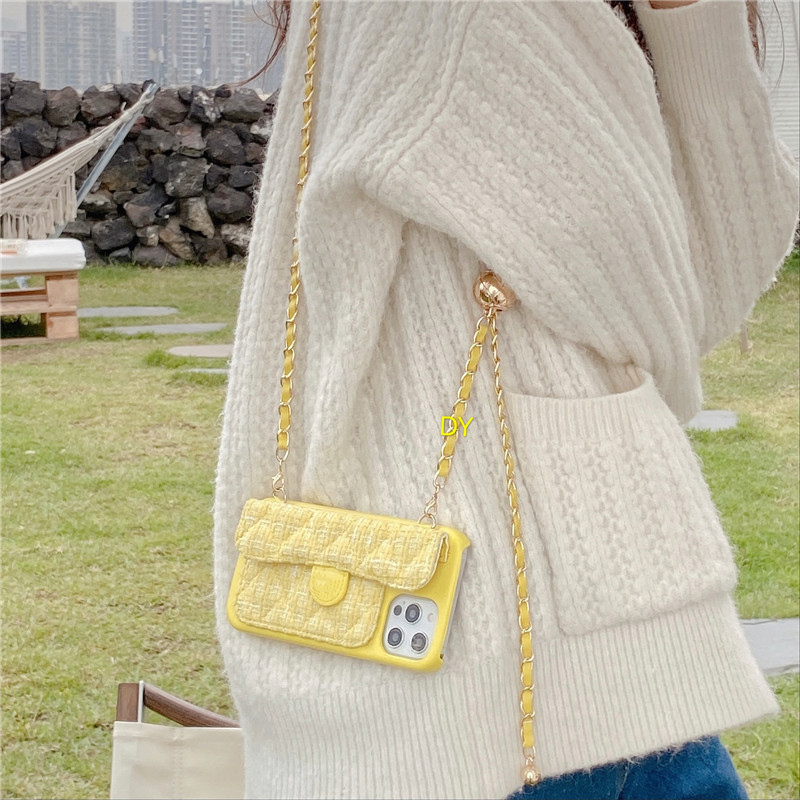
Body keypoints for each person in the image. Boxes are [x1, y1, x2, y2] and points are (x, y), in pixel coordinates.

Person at [212, 1, 800, 798]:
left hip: (550, 645)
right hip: (517, 656)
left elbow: (719, 272)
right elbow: (668, 296)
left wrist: (691, 20)